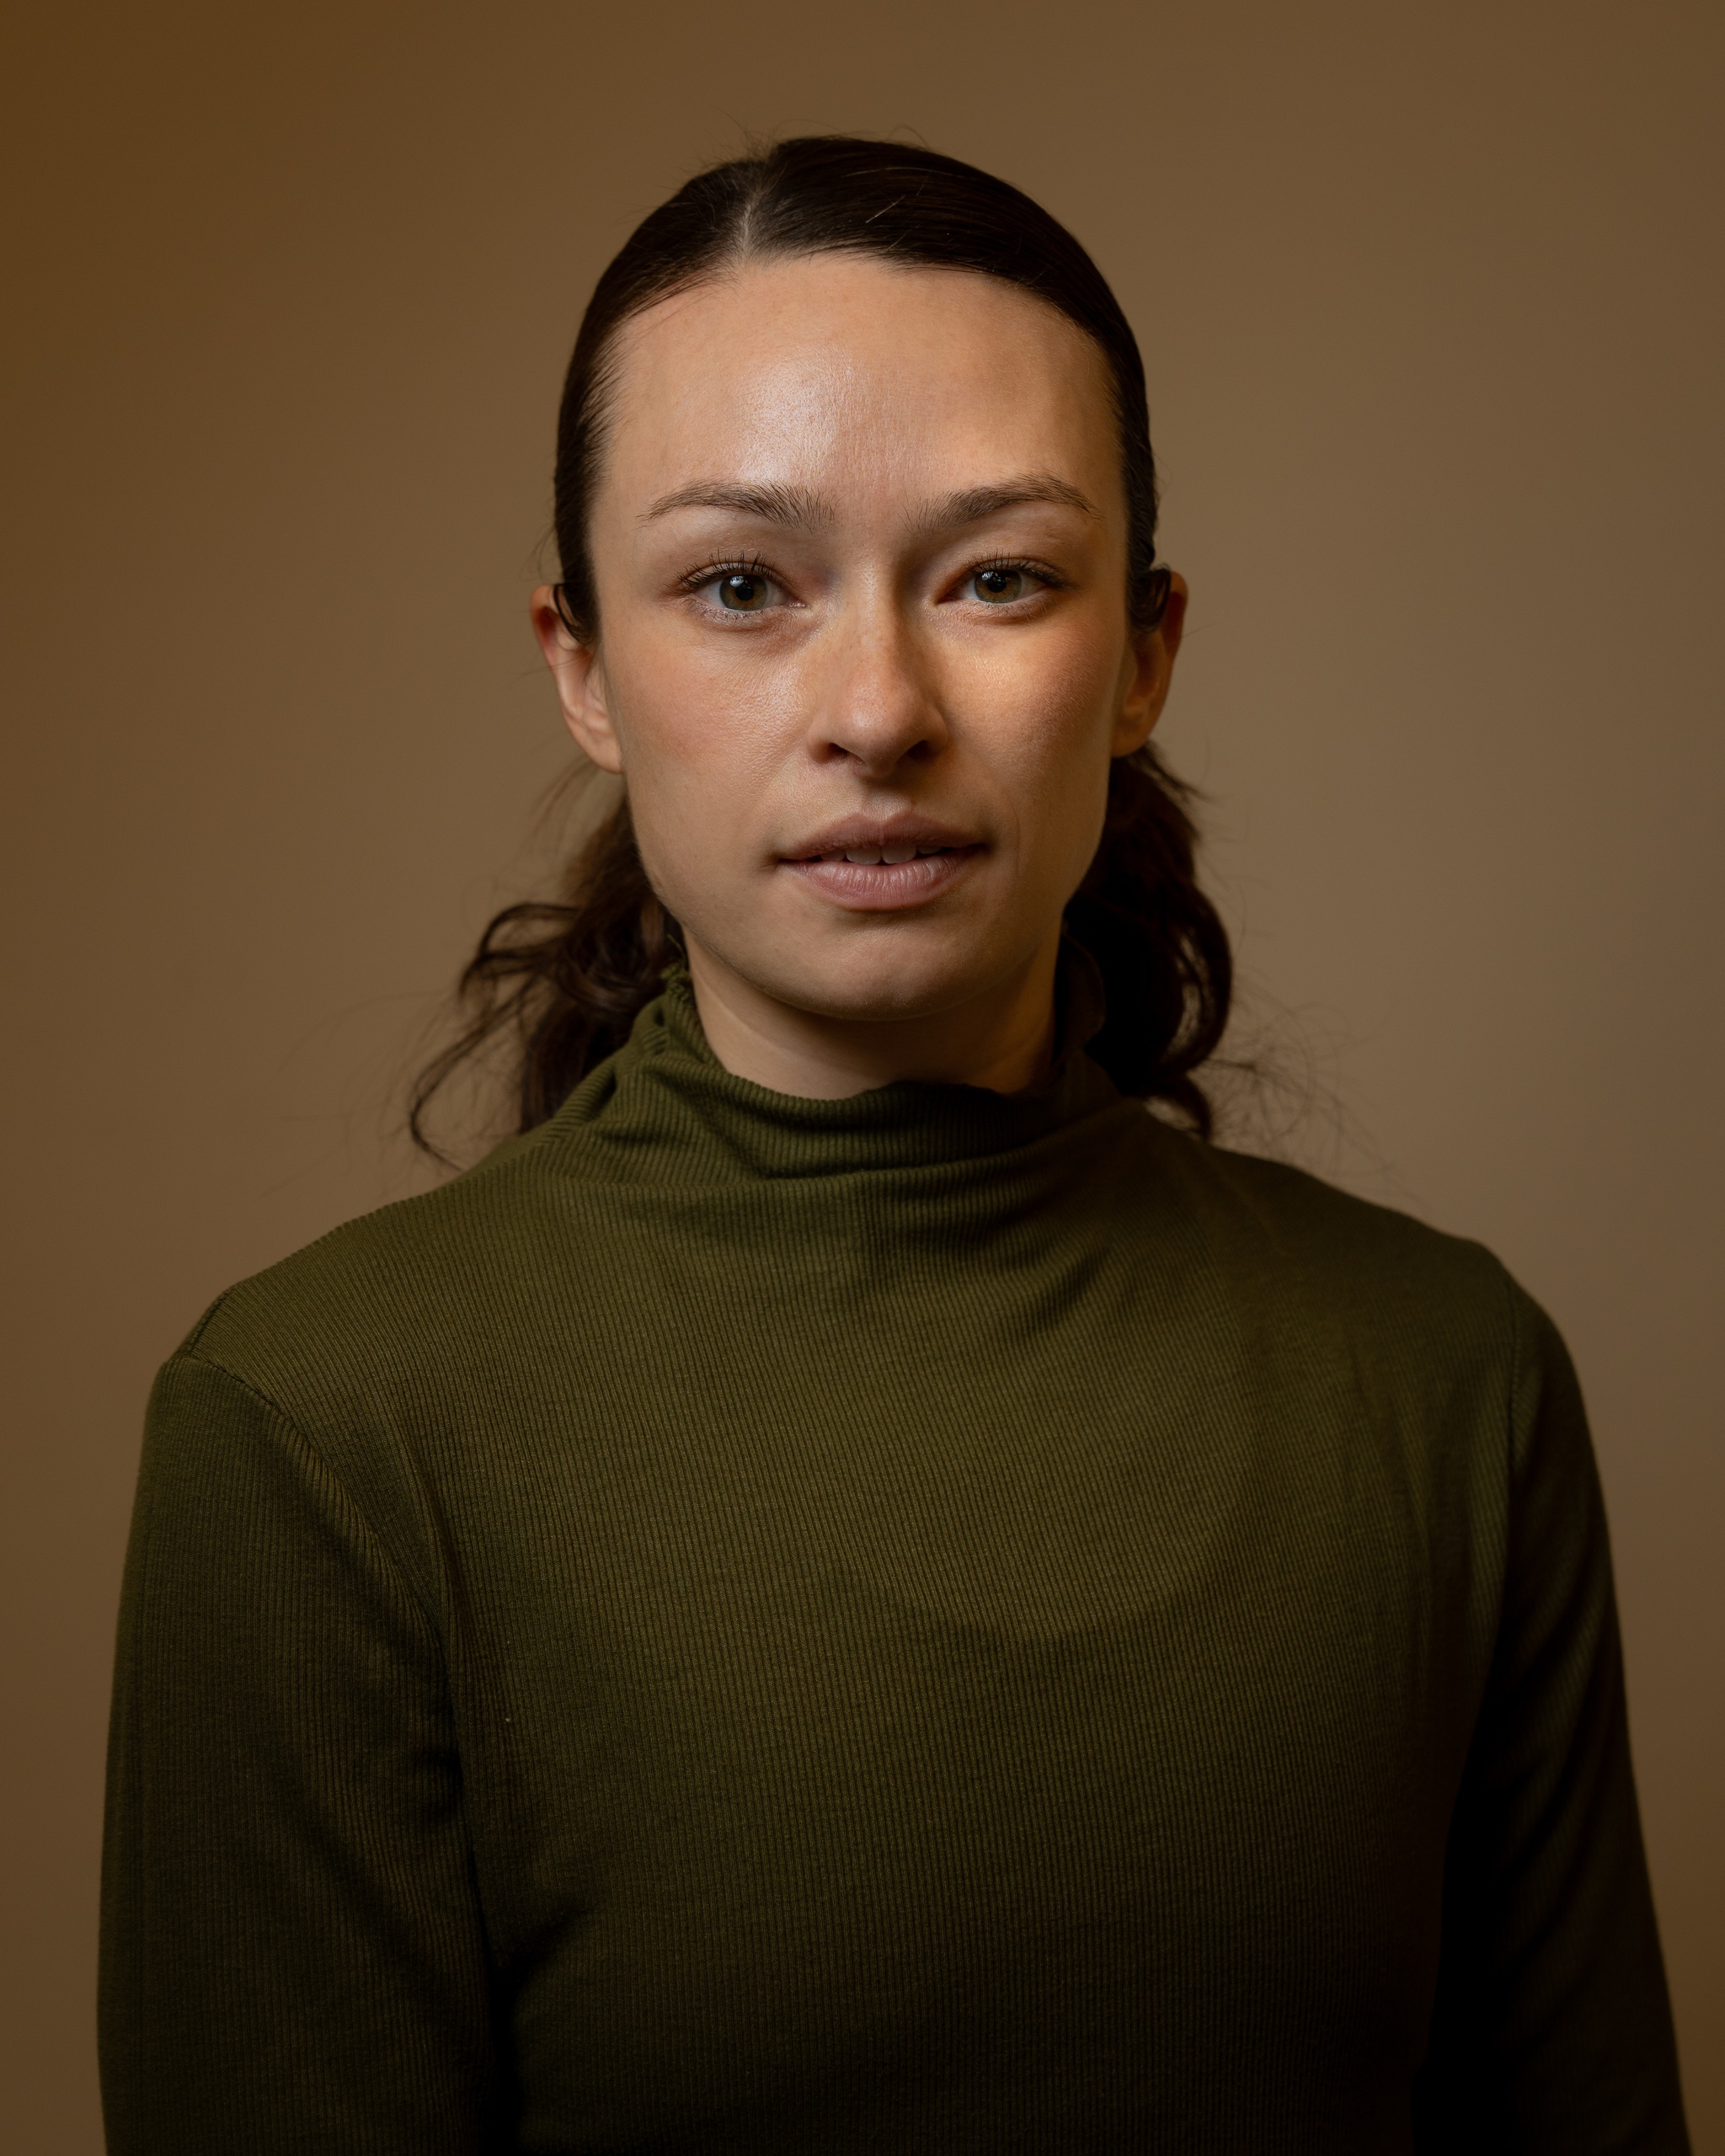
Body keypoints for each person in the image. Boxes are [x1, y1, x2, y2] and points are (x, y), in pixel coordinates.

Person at [99, 136, 1689, 2153]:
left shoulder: (1448, 1378)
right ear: (582, 663)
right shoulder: (320, 1428)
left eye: (998, 575)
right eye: (741, 585)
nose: (878, 705)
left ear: (1143, 653)